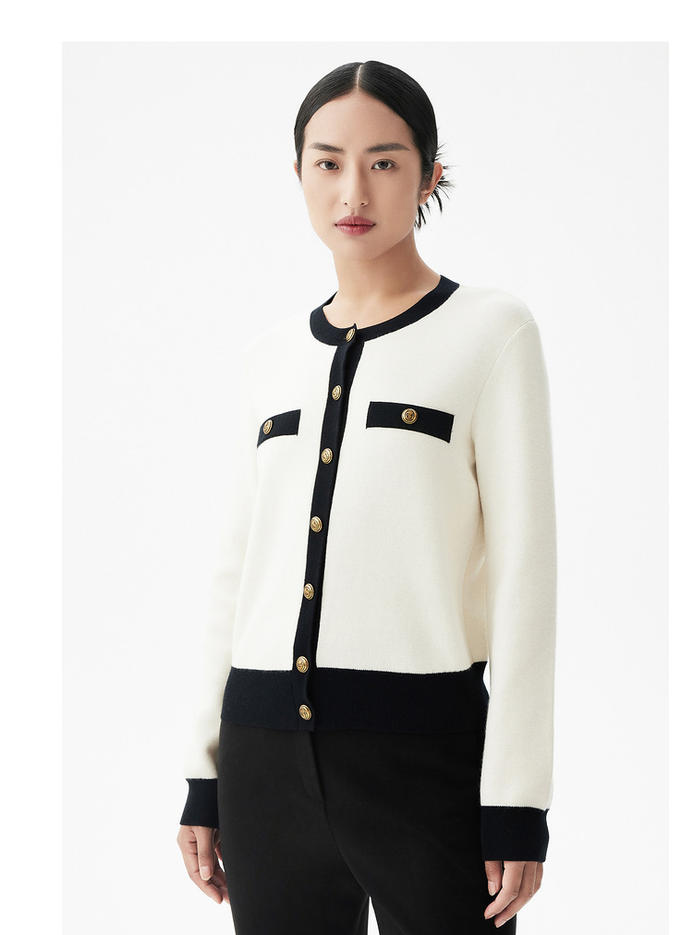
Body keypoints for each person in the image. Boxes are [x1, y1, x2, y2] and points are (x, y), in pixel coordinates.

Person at [176, 59, 557, 934]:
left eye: (385, 162)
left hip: (427, 759)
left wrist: (517, 798)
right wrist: (204, 774)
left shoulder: (492, 333)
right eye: (328, 162)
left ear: (428, 175)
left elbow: (527, 579)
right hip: (262, 764)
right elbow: (236, 574)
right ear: (299, 173)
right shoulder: (270, 357)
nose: (353, 190)